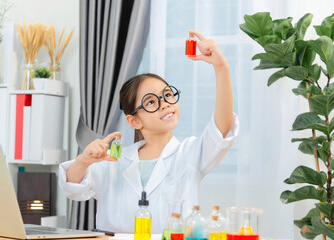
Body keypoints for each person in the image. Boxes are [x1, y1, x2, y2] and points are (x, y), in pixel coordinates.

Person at [59, 30, 239, 233]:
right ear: (133, 121)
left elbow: (221, 129)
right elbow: (72, 188)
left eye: (168, 95)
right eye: (151, 101)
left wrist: (221, 67)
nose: (165, 104)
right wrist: (84, 161)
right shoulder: (113, 161)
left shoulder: (190, 153)